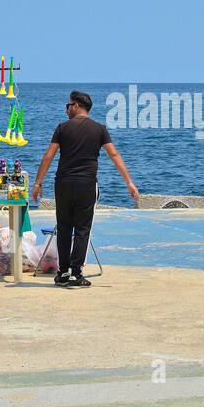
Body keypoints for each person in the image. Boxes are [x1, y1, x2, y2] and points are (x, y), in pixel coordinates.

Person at [32, 90, 140, 288]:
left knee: (64, 227)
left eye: (68, 105)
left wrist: (38, 184)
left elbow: (48, 156)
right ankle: (76, 272)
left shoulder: (62, 128)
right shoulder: (99, 129)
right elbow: (114, 154)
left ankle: (62, 272)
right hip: (86, 184)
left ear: (77, 106)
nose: (66, 109)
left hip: (63, 183)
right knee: (82, 229)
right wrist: (129, 182)